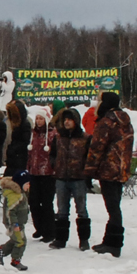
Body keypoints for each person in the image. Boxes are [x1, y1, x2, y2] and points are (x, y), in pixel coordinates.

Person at [84, 91, 134, 257]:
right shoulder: (125, 121)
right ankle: (109, 241)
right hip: (121, 169)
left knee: (113, 208)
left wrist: (89, 172)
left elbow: (96, 148)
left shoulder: (106, 122)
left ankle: (115, 243)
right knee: (115, 206)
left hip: (108, 170)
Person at [49, 107, 91, 250]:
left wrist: (87, 173)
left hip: (79, 178)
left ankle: (84, 240)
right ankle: (60, 239)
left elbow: (89, 157)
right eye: (65, 120)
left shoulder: (85, 138)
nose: (66, 122)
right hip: (61, 177)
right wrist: (55, 165)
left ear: (76, 121)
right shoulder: (58, 138)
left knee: (82, 210)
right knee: (62, 211)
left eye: (69, 119)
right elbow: (52, 154)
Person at [26, 106, 57, 242]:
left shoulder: (52, 134)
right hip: (34, 172)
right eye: (37, 118)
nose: (38, 121)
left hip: (48, 173)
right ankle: (39, 227)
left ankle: (49, 231)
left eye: (41, 119)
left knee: (46, 203)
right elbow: (30, 154)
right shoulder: (33, 134)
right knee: (33, 202)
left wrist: (53, 166)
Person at [0, 170, 31, 271]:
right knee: (21, 241)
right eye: (27, 184)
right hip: (14, 223)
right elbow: (10, 212)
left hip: (18, 222)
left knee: (15, 240)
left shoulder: (20, 193)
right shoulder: (15, 195)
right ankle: (15, 261)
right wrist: (14, 223)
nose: (29, 186)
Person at [4, 99, 31, 175]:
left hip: (19, 157)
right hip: (14, 157)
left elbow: (25, 141)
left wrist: (13, 149)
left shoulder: (24, 124)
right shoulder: (16, 124)